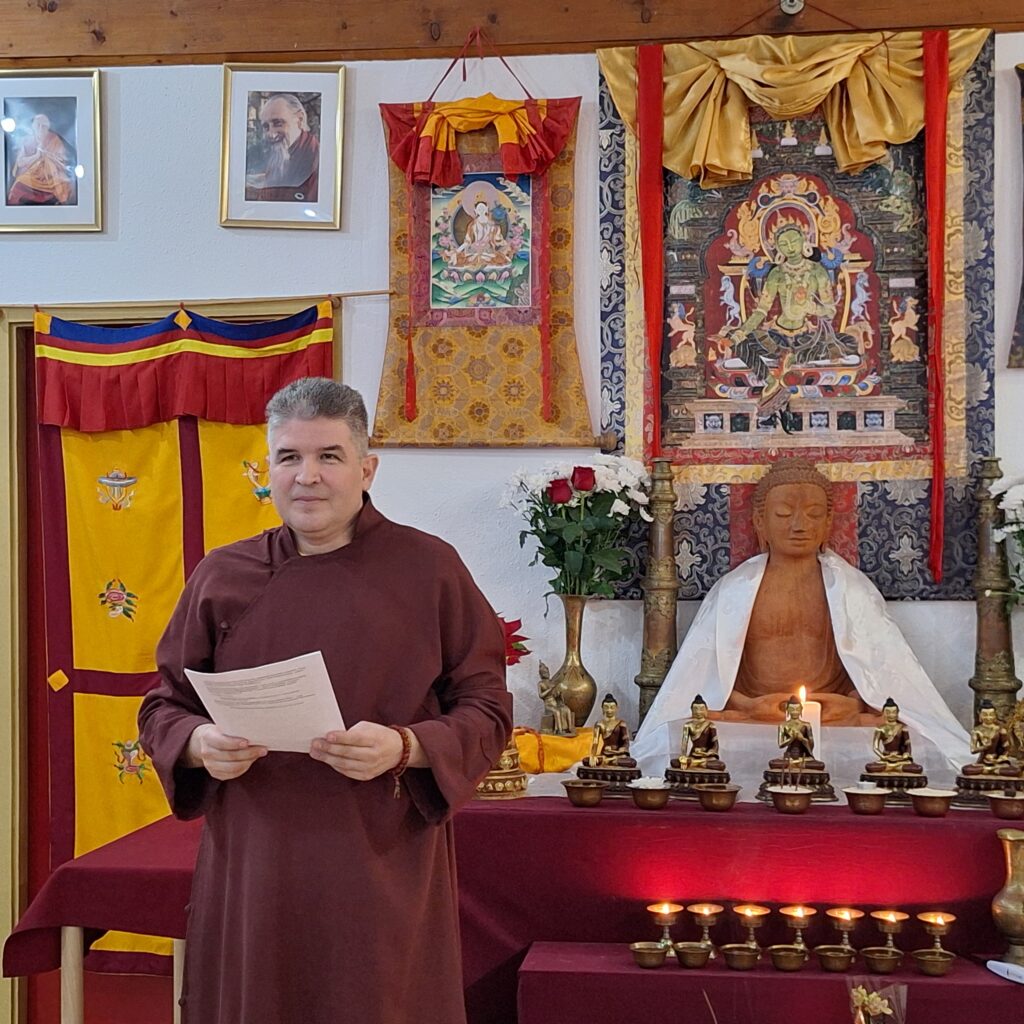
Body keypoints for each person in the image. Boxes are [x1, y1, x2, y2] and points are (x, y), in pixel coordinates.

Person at [138, 377, 511, 1024]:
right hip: (255, 862)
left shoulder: (428, 570)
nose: (307, 476)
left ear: (366, 469)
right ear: (269, 469)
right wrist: (198, 745)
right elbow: (163, 705)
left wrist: (408, 746)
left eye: (329, 456)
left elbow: (487, 707)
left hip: (379, 858)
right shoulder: (223, 575)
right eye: (289, 457)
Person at [631, 460, 972, 774]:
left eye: (813, 514)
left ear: (828, 522)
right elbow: (710, 676)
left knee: (908, 734)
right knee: (682, 732)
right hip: (756, 713)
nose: (799, 525)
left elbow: (877, 671)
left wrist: (852, 704)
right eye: (783, 514)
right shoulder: (734, 589)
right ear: (760, 521)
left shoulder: (851, 588)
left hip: (832, 713)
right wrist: (747, 705)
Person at [245, 93, 319, 202]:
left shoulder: (316, 159)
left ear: (300, 120)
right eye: (266, 127)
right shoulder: (281, 154)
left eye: (278, 123)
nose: (271, 134)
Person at [7, 112, 76, 206]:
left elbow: (63, 161)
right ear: (33, 127)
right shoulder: (27, 140)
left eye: (43, 126)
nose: (40, 128)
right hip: (32, 176)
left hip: (52, 176)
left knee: (65, 187)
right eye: (37, 125)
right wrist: (37, 156)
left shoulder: (54, 139)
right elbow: (20, 162)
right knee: (18, 185)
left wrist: (48, 157)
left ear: (48, 127)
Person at [963, 701, 1021, 777]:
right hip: (982, 762)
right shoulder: (976, 731)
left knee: (1016, 771)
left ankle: (989, 770)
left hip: (998, 762)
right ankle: (993, 771)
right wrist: (985, 747)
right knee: (966, 769)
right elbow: (973, 750)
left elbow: (1007, 749)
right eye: (985, 715)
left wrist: (1001, 758)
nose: (988, 718)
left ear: (995, 715)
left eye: (991, 714)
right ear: (980, 715)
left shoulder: (1000, 730)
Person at [865, 697, 923, 774]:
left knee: (918, 768)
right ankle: (895, 768)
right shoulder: (880, 729)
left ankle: (892, 768)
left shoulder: (902, 728)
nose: (891, 715)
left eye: (894, 712)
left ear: (897, 712)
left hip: (900, 759)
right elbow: (875, 748)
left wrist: (906, 754)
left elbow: (907, 745)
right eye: (888, 712)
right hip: (886, 758)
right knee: (870, 767)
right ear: (883, 713)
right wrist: (883, 757)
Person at [671, 694, 725, 770]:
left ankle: (695, 763)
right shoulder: (688, 725)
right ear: (691, 710)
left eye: (701, 709)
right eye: (695, 709)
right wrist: (683, 757)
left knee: (721, 765)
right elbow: (684, 744)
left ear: (706, 710)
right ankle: (699, 763)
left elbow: (715, 745)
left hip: (707, 757)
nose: (698, 712)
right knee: (674, 762)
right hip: (693, 755)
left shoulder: (710, 725)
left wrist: (707, 753)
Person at [584, 693, 637, 767]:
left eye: (612, 707)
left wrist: (619, 751)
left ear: (616, 708)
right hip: (605, 754)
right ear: (602, 708)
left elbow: (626, 742)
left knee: (632, 762)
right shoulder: (599, 724)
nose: (609, 710)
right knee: (586, 761)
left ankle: (608, 761)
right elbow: (595, 742)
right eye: (606, 707)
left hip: (619, 755)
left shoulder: (621, 723)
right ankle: (609, 761)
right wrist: (593, 756)